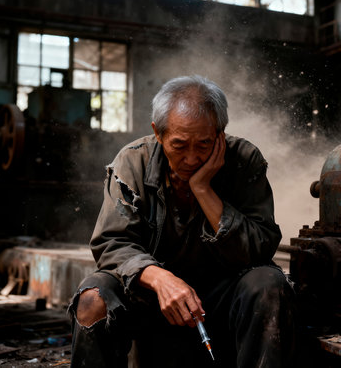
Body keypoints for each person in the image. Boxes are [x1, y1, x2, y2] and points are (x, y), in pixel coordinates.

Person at [68, 75, 296, 368]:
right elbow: (111, 243)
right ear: (158, 133)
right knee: (93, 298)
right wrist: (160, 278)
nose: (192, 158)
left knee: (269, 283)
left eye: (204, 144)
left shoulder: (244, 160)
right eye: (179, 145)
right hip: (151, 298)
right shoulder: (132, 163)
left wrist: (203, 189)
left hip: (222, 294)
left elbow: (259, 248)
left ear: (220, 133)